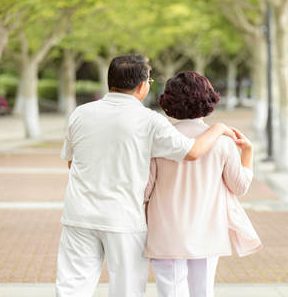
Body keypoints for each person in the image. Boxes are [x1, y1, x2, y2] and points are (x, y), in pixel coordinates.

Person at [55, 56, 237, 297]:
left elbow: (71, 161)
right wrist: (219, 129)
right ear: (142, 86)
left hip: (78, 214)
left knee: (72, 286)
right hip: (123, 218)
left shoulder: (80, 114)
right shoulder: (150, 120)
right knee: (126, 289)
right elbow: (192, 152)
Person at [144, 71, 262, 297]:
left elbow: (145, 190)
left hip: (165, 229)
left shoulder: (160, 139)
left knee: (169, 291)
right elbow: (239, 187)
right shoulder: (223, 142)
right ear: (209, 99)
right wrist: (248, 152)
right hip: (207, 228)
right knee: (203, 292)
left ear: (168, 101)